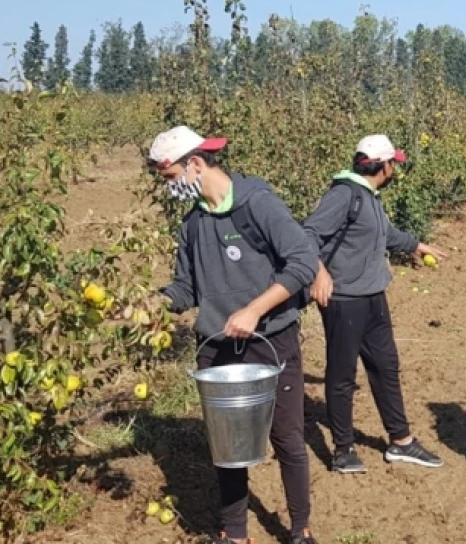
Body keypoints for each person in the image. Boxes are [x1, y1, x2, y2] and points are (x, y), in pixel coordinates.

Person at [146, 125, 319, 544]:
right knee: (227, 446)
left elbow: (303, 263)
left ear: (196, 164)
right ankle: (235, 534)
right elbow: (186, 287)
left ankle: (300, 530)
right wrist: (149, 303)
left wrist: (255, 310)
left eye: (171, 179)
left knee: (288, 437)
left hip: (270, 339)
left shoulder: (256, 203)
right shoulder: (192, 226)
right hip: (218, 347)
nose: (170, 189)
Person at [303, 134, 449, 475]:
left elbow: (384, 233)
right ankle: (342, 448)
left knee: (386, 366)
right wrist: (319, 272)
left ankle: (401, 441)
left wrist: (416, 245)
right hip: (344, 299)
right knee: (342, 374)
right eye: (393, 162)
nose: (396, 167)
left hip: (372, 295)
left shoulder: (369, 197)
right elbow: (308, 233)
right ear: (382, 166)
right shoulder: (344, 195)